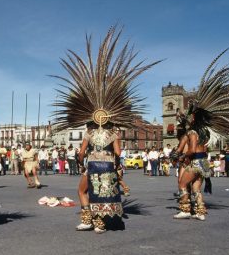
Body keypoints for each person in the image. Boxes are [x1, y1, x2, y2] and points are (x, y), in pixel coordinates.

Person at [52, 27, 160, 233]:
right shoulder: (114, 133)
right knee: (104, 192)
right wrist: (116, 166)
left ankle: (89, 220)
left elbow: (81, 152)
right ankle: (101, 222)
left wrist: (82, 162)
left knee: (83, 191)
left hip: (93, 164)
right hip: (109, 166)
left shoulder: (91, 133)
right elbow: (119, 153)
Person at [172, 49, 229, 221]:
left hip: (195, 162)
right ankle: (201, 211)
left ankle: (185, 209)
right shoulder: (206, 132)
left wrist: (181, 155)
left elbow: (191, 149)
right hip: (205, 163)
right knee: (196, 187)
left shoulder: (192, 132)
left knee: (182, 184)